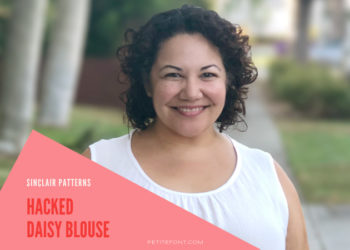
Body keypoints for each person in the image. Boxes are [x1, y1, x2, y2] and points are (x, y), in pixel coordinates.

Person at [83, 5, 309, 250]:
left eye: (208, 75)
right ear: (148, 84)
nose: (191, 93)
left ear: (228, 81)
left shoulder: (267, 176)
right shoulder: (98, 165)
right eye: (173, 75)